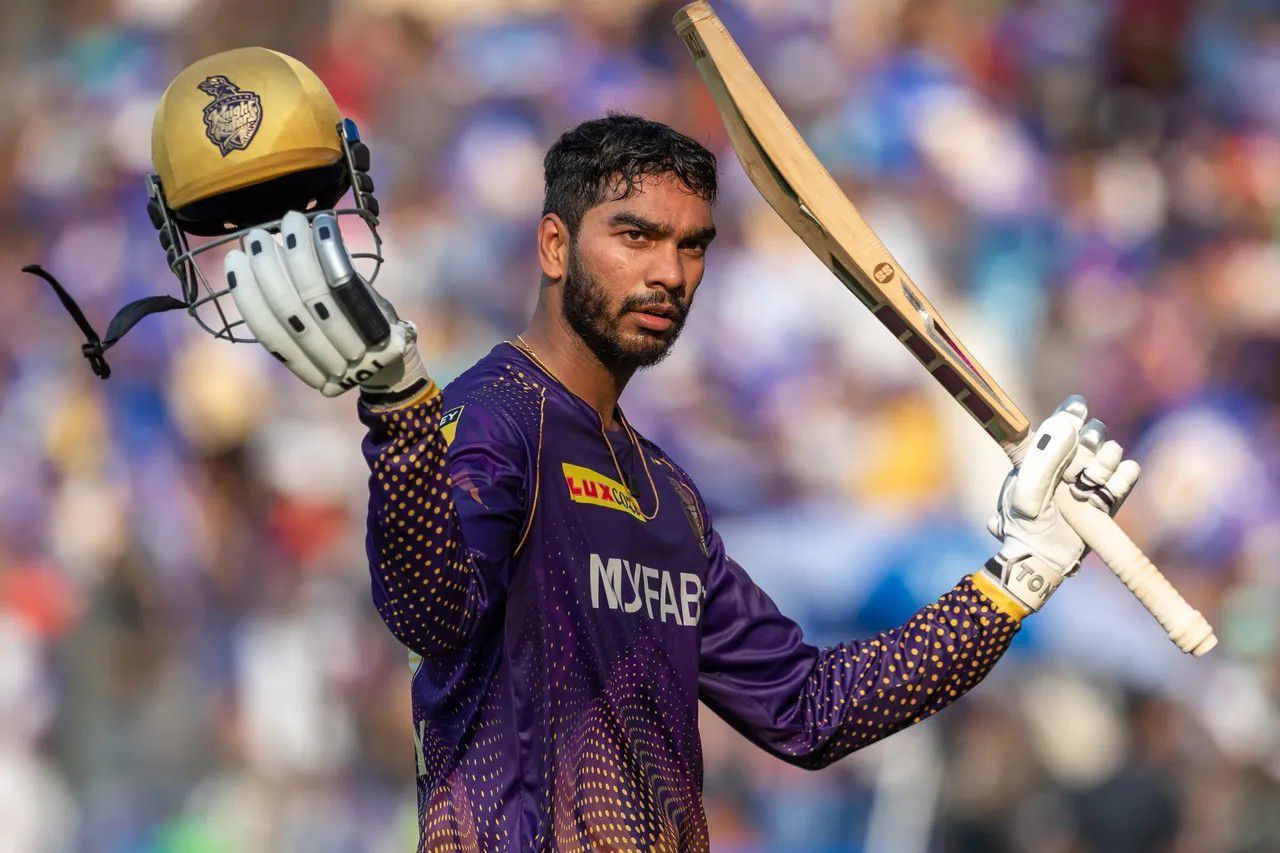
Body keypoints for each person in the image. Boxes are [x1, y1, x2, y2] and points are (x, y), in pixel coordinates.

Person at [223, 114, 1140, 851]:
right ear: (554, 244)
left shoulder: (666, 491)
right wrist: (401, 420)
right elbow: (430, 612)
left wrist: (1018, 576)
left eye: (692, 244)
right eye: (636, 236)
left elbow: (807, 711)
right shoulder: (493, 416)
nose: (669, 272)